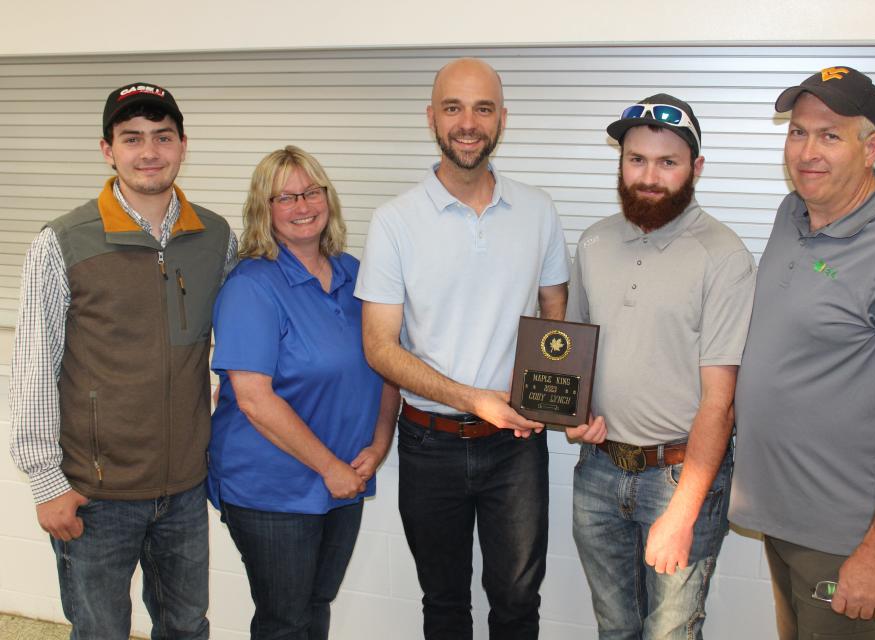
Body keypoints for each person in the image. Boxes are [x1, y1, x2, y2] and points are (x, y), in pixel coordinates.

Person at [729, 67, 875, 640]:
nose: (807, 152)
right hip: (780, 517)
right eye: (798, 132)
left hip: (841, 540)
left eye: (830, 135)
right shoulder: (793, 215)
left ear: (871, 146)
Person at [355, 58, 579, 639]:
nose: (468, 122)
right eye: (453, 107)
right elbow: (379, 348)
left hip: (515, 448)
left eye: (483, 108)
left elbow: (556, 310)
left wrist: (546, 396)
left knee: (516, 603)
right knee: (445, 603)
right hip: (430, 443)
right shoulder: (394, 222)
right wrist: (473, 397)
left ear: (502, 118)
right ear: (432, 117)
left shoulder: (538, 210)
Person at [9, 82, 236, 639]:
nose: (149, 151)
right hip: (93, 494)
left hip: (183, 488)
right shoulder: (62, 241)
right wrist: (46, 482)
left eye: (162, 136)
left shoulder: (216, 237)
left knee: (186, 626)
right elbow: (33, 367)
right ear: (108, 150)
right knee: (100, 630)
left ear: (184, 144)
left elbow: (230, 343)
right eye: (131, 138)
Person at [566, 95, 756, 638]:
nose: (649, 176)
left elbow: (720, 402)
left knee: (669, 632)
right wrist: (574, 418)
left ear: (695, 168)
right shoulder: (594, 242)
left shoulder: (723, 256)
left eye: (667, 162)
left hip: (678, 479)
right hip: (599, 472)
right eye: (636, 159)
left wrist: (683, 512)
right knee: (614, 627)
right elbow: (576, 358)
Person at [207, 145, 399, 640]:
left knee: (316, 606)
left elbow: (388, 363)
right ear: (263, 210)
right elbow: (253, 398)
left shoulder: (357, 274)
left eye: (312, 191)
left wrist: (379, 444)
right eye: (285, 197)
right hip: (273, 487)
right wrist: (329, 467)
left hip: (345, 478)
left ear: (328, 198)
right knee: (285, 621)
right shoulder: (251, 286)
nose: (302, 205)